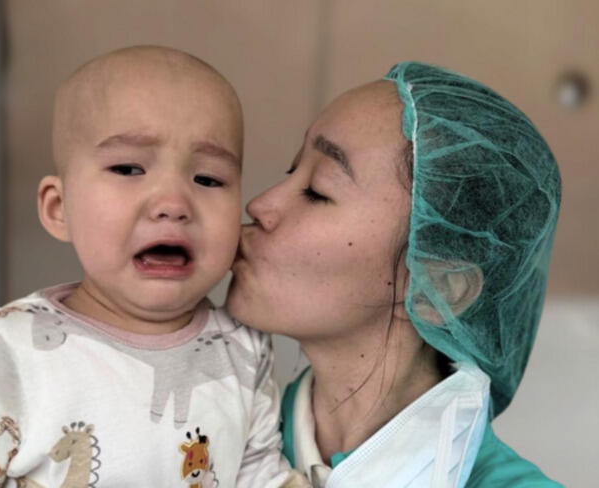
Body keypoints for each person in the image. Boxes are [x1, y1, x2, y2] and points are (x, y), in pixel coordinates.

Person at [0, 46, 297, 488]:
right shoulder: (9, 349)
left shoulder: (242, 347)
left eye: (208, 179)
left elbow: (260, 471)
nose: (173, 203)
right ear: (59, 208)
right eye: (129, 169)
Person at [227, 61, 563, 487]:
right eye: (292, 170)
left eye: (317, 190)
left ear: (435, 288)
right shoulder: (211, 441)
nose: (259, 205)